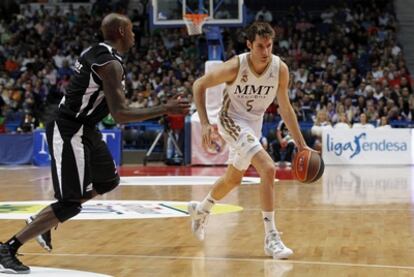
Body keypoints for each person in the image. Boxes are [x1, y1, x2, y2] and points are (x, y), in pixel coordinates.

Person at [0, 13, 190, 274]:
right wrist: (165, 108)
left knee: (107, 181)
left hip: (86, 128)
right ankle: (7, 248)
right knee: (69, 203)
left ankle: (43, 219)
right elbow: (121, 114)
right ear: (122, 32)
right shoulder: (110, 64)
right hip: (70, 129)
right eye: (131, 30)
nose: (135, 34)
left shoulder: (96, 51)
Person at [187, 22, 314, 259]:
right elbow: (198, 85)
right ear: (249, 45)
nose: (265, 52)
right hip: (231, 119)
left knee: (233, 179)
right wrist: (205, 123)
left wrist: (301, 143)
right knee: (268, 168)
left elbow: (285, 108)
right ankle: (271, 237)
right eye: (260, 46)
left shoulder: (280, 69)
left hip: (253, 124)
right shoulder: (236, 66)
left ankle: (201, 209)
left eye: (269, 45)